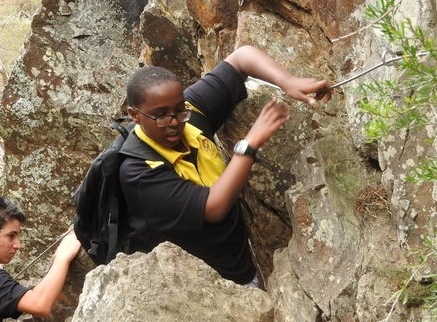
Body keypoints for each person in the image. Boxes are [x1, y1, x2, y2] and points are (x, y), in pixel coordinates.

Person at [119, 45, 330, 286]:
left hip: (237, 259)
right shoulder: (137, 173)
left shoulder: (189, 114)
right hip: (203, 285)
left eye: (179, 110)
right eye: (161, 115)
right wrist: (249, 144)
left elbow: (242, 58)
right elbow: (214, 207)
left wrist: (287, 81)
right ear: (135, 115)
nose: (174, 122)